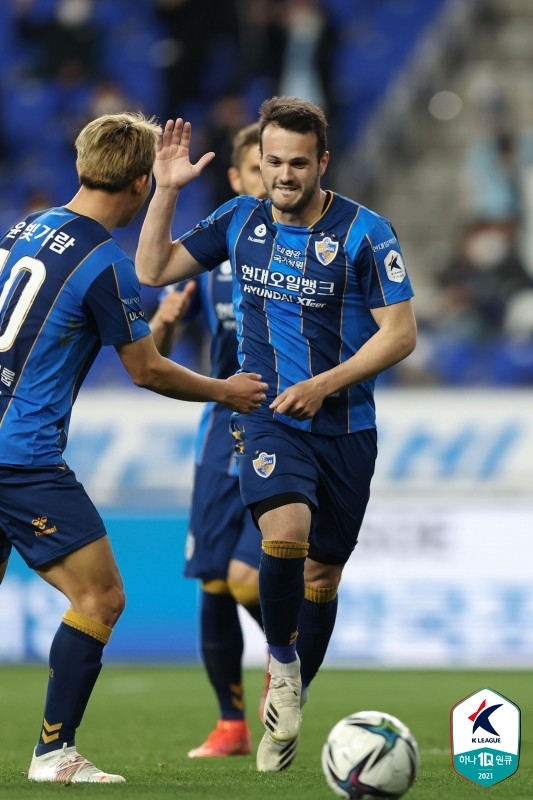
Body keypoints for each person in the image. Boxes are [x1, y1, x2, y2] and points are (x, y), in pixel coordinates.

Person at [135, 96, 417, 772]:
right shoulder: (238, 219)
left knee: (323, 570)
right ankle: (281, 664)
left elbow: (400, 335)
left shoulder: (364, 233)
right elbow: (152, 270)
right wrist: (165, 194)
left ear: (322, 161)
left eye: (296, 163)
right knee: (282, 533)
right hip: (266, 415)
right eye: (272, 162)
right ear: (257, 163)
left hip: (346, 425)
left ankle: (290, 697)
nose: (283, 175)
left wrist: (326, 382)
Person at [0, 111, 266, 784]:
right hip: (20, 459)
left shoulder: (26, 228)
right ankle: (54, 754)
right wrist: (223, 389)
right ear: (144, 183)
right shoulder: (104, 265)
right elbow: (146, 370)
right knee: (101, 599)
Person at [149, 123, 270, 758]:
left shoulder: (300, 255)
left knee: (247, 580)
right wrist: (165, 324)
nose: (268, 185)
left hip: (282, 429)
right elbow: (155, 356)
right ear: (236, 181)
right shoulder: (212, 265)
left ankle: (292, 658)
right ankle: (231, 723)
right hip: (221, 436)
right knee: (215, 582)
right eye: (256, 173)